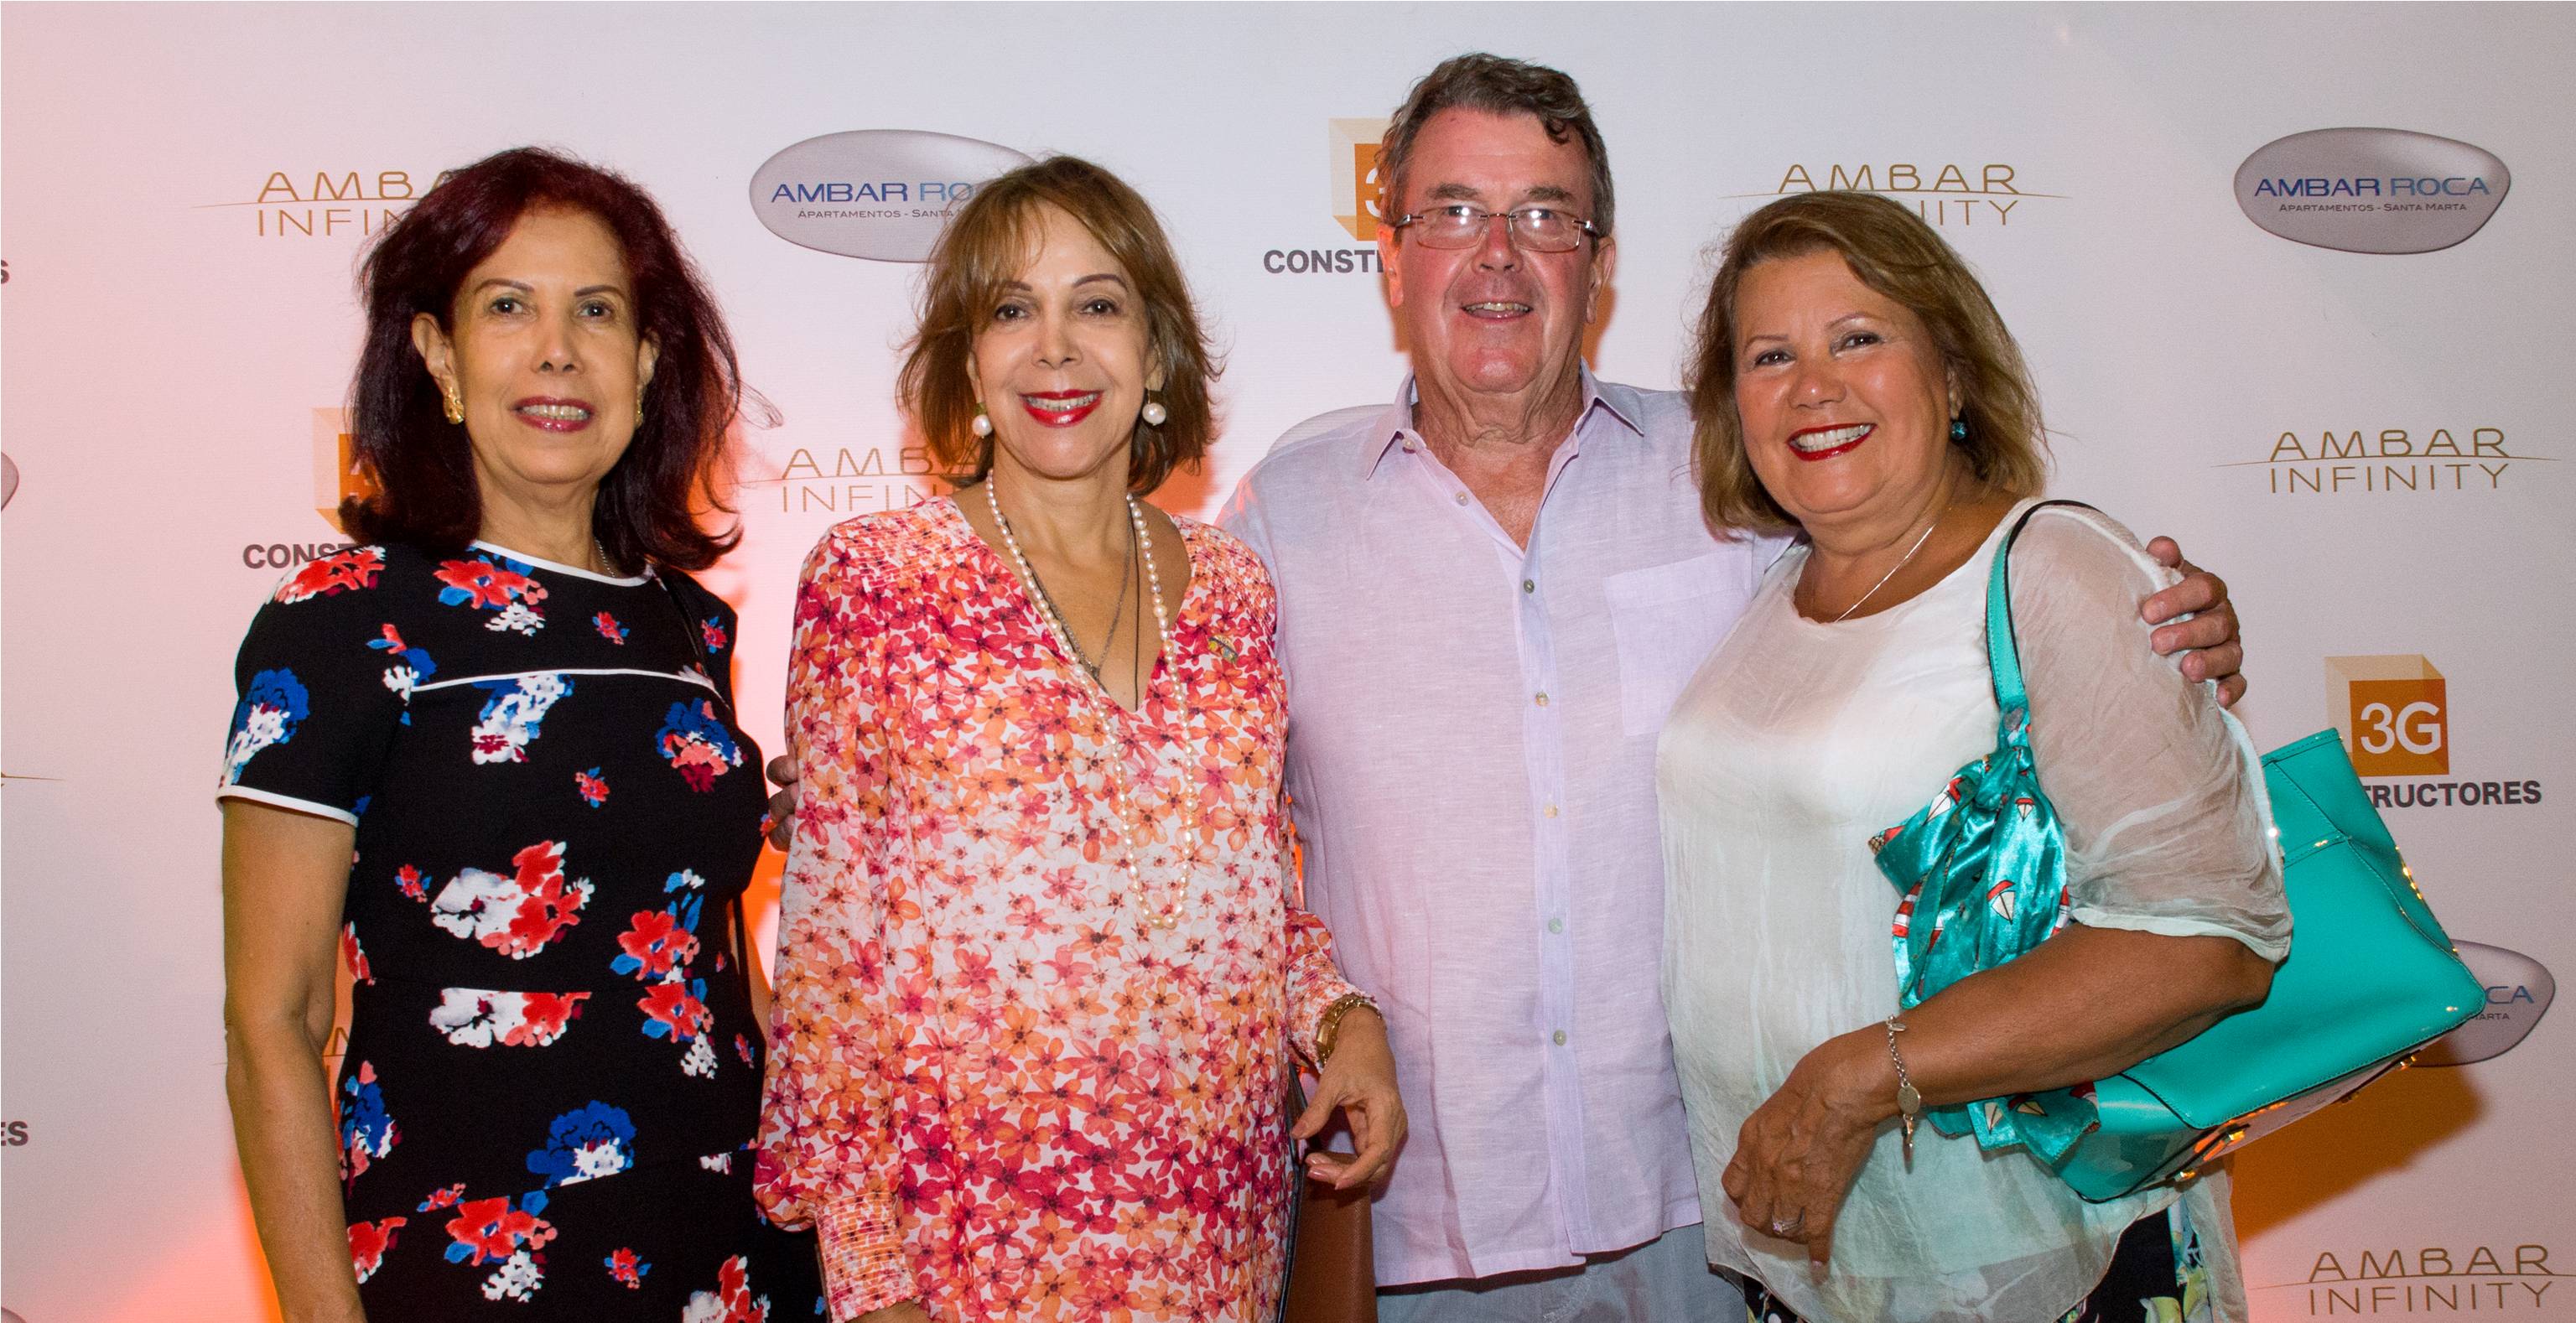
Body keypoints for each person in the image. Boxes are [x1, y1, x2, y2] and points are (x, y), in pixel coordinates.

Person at [1218, 54, 2249, 1320]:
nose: (1498, 255)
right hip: (1420, 1217)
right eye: (1452, 211)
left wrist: (2152, 631)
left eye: (1544, 213)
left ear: (1599, 265)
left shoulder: (1740, 481)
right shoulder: (1284, 514)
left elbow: (1941, 585)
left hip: (1724, 1219)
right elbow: (1184, 823)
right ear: (1391, 256)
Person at [751, 155, 1403, 1323]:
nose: (1055, 349)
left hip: (1218, 1232)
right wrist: (872, 1280)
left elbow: (1250, 902)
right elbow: (831, 967)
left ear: (1154, 352)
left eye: (1097, 305)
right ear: (968, 360)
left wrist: (1344, 1020)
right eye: (1013, 310)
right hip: (975, 1248)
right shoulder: (877, 584)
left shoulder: (1234, 591)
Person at [1657, 189, 2292, 1322]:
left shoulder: (2054, 568)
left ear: (1952, 376)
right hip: (1820, 1261)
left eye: (1859, 338)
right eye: (1771, 355)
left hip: (2041, 1262)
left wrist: (1856, 1076)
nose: (1814, 386)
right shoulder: (1771, 589)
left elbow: (2212, 943)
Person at [218, 147, 823, 1320]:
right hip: (472, 1259)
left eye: (597, 311)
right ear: (437, 355)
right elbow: (271, 1026)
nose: (557, 350)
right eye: (507, 307)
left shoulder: (689, 623)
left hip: (732, 1252)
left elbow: (715, 970)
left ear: (646, 360)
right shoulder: (339, 621)